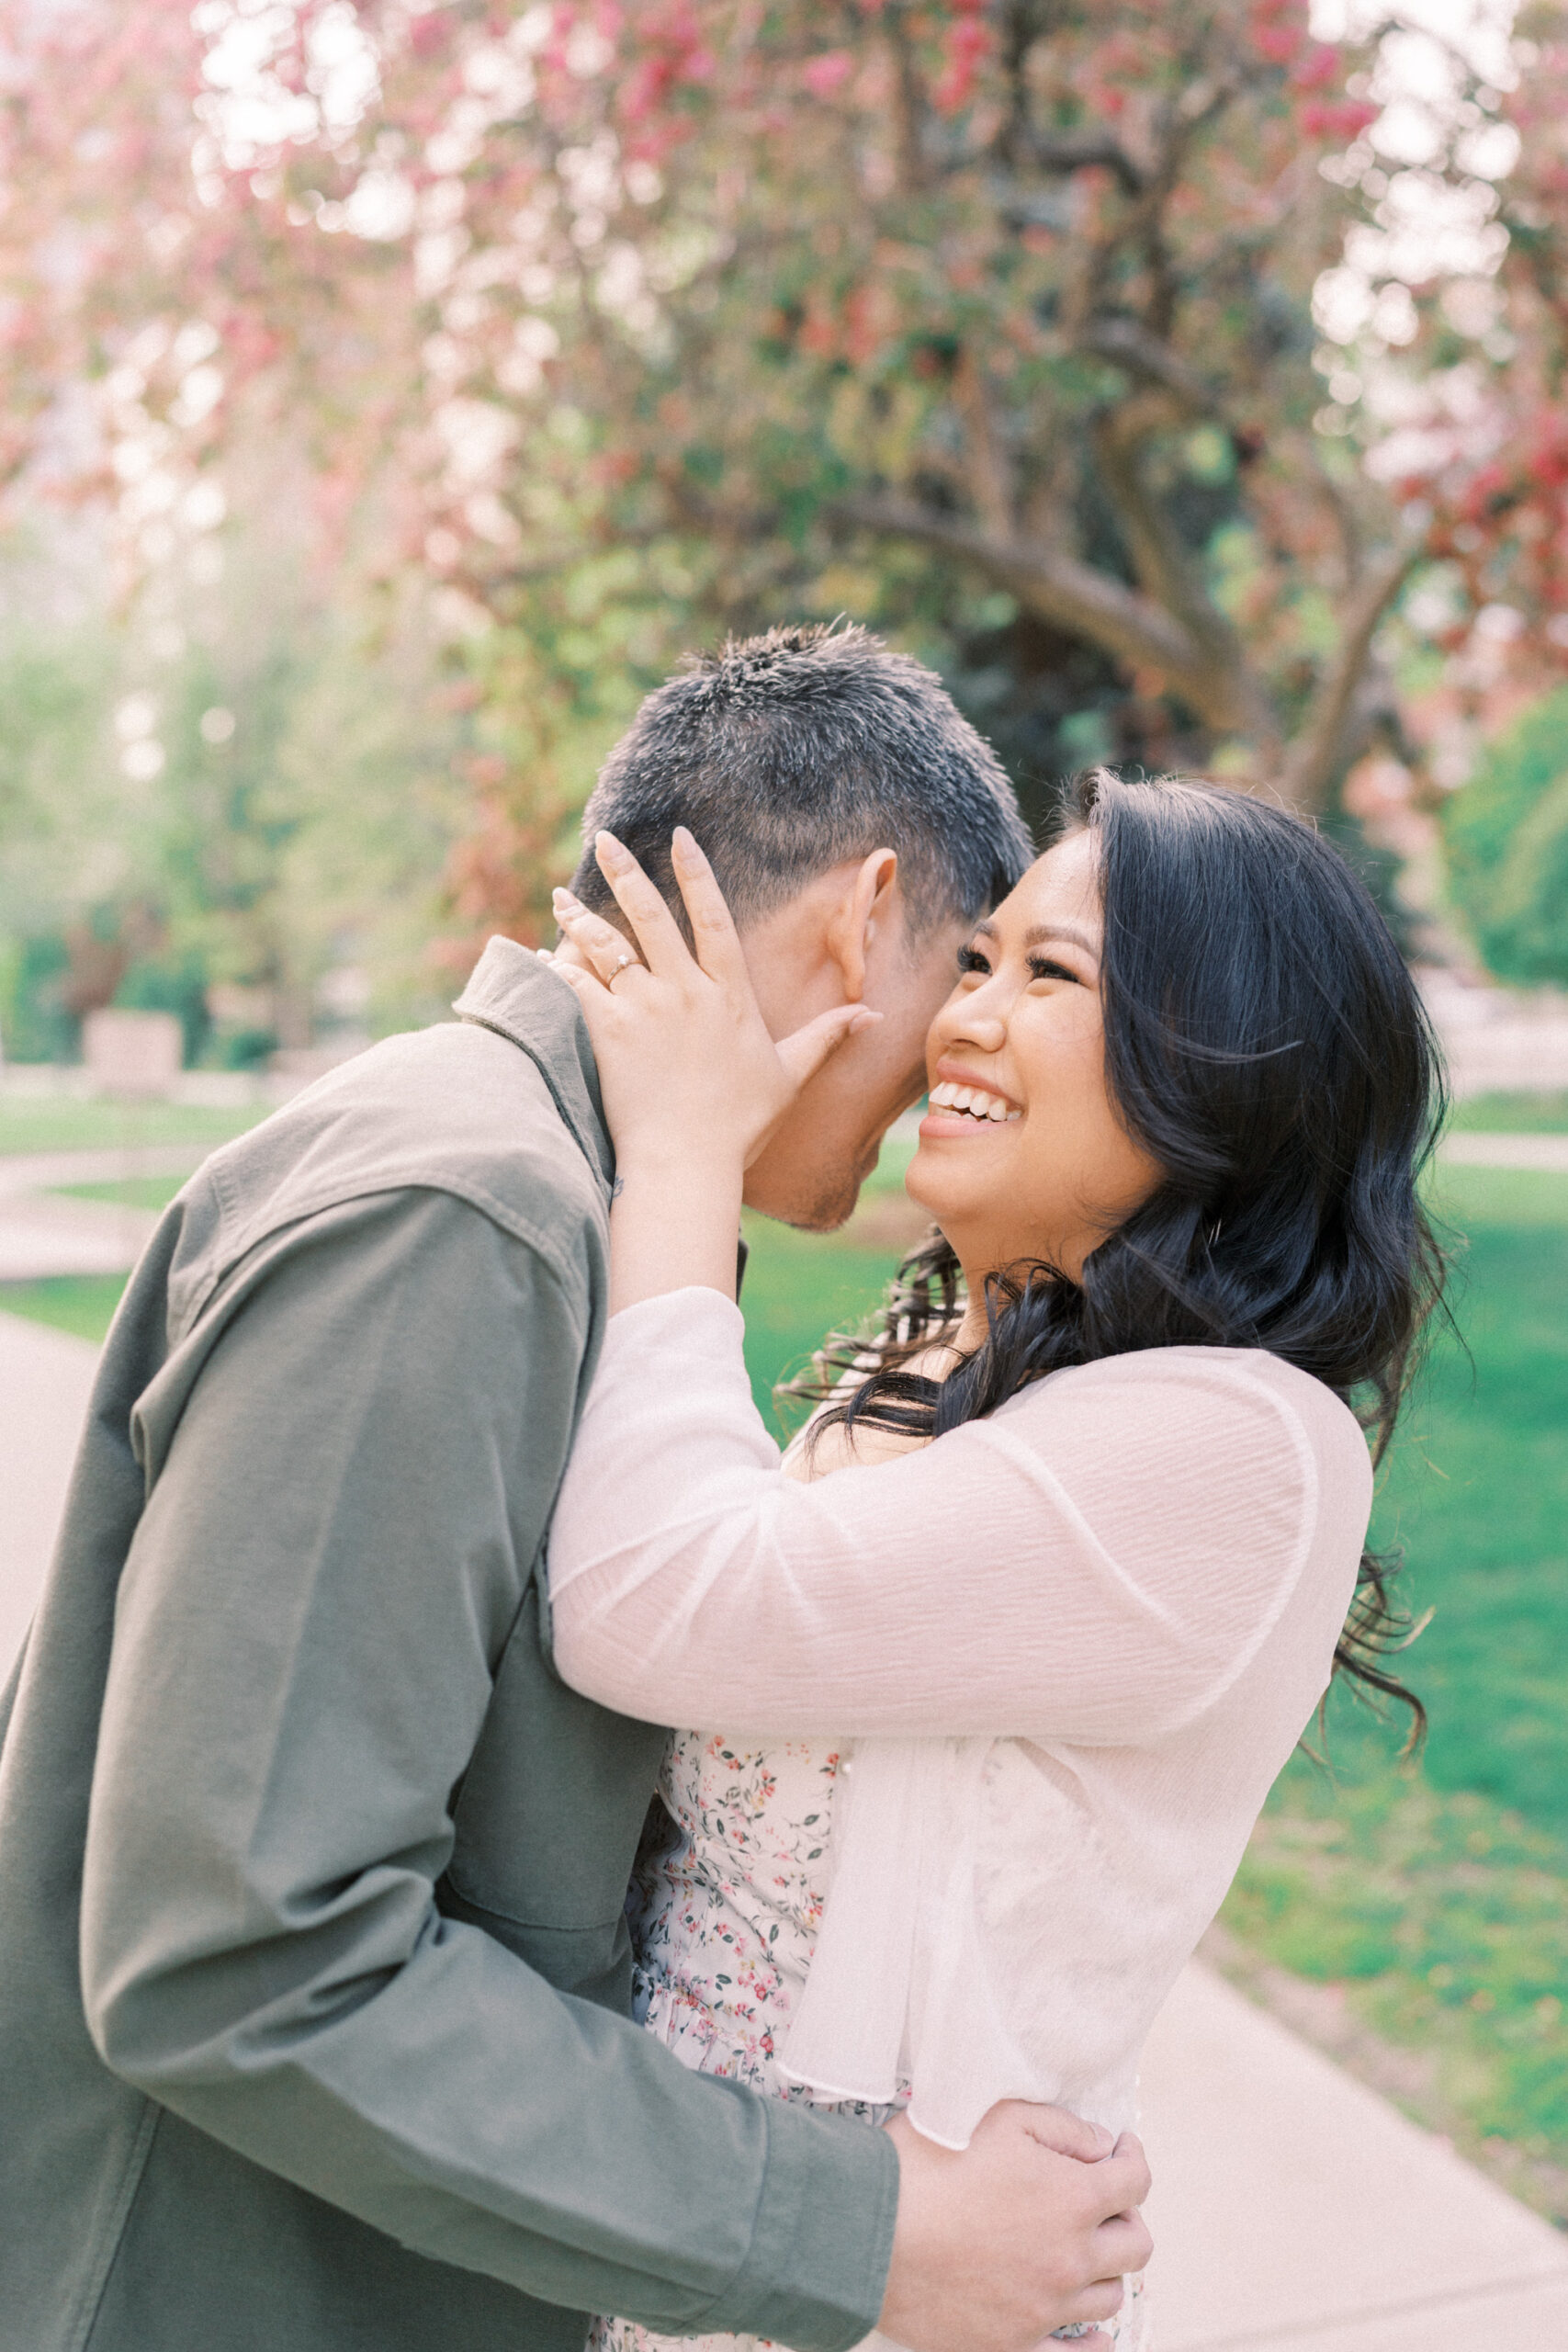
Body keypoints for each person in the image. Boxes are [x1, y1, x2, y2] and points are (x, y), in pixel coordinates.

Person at [0, 623, 1152, 2352]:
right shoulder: (465, 1216)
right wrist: (863, 2230)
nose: (950, 1066)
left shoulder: (556, 1201)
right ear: (860, 922)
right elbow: (241, 1951)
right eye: (960, 978)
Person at [542, 766, 1448, 2352]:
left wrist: (687, 1155)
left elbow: (648, 1598)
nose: (963, 1013)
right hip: (716, 2258)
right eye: (975, 961)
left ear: (1225, 1066)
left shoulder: (1236, 1452)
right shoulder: (949, 1360)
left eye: (1052, 974)